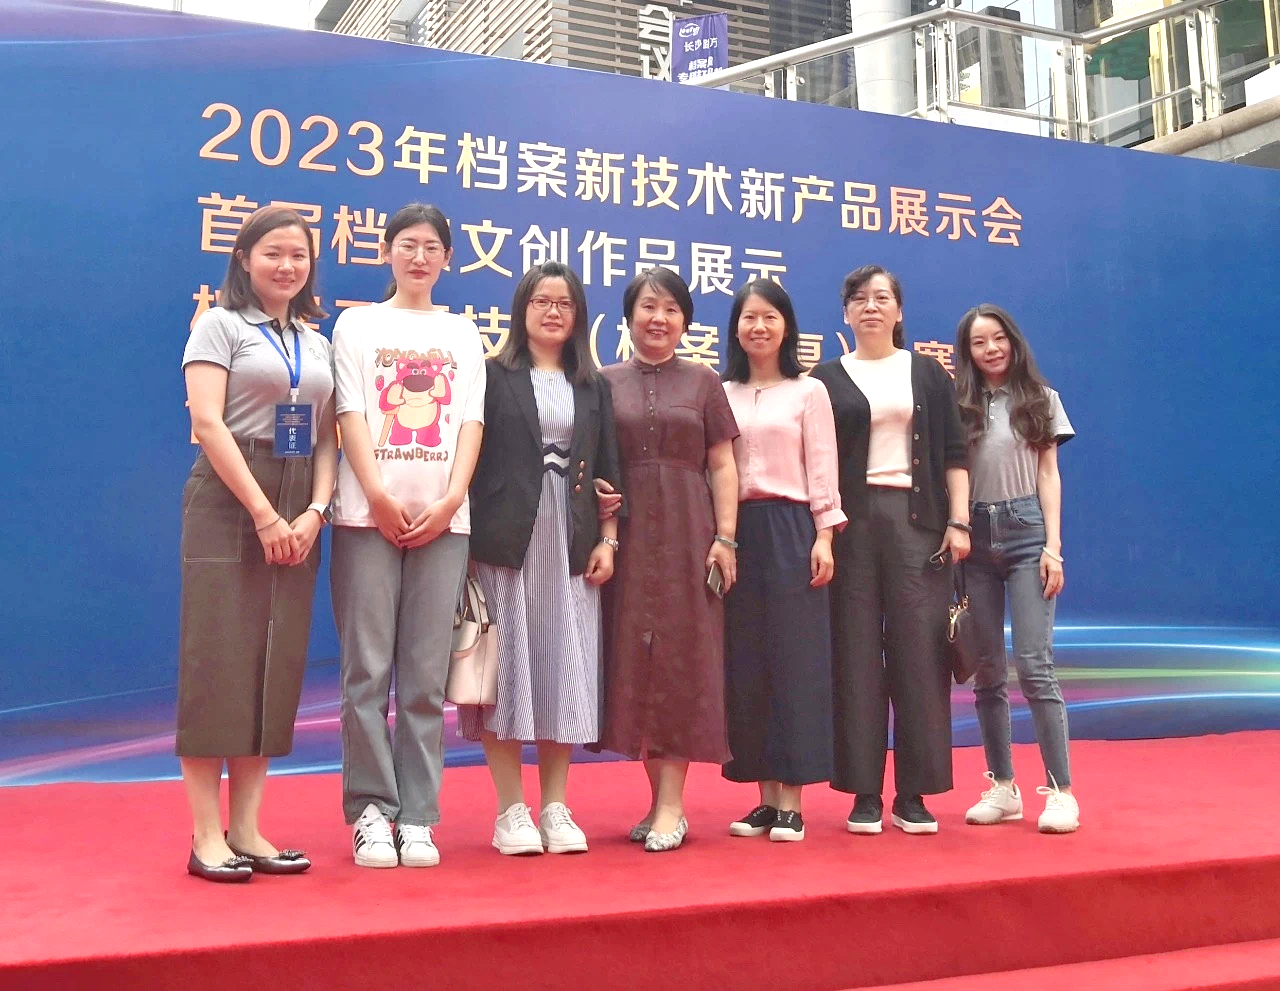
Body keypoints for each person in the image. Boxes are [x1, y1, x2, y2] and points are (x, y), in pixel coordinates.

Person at [179, 205, 337, 881]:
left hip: (299, 500)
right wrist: (265, 514)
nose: (287, 266)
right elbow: (208, 424)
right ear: (244, 259)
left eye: (299, 255)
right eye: (273, 253)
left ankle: (246, 827)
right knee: (219, 659)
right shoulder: (219, 325)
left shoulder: (315, 342)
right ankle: (205, 835)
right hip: (230, 496)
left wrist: (316, 510)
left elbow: (326, 436)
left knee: (276, 660)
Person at [330, 203, 485, 868]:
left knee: (424, 678)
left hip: (444, 524)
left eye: (431, 248)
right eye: (407, 245)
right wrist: (377, 495)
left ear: (447, 259)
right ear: (386, 251)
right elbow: (350, 413)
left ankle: (418, 815)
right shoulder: (357, 324)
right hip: (367, 518)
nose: (419, 258)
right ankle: (371, 810)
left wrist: (450, 501)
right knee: (366, 672)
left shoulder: (462, 332)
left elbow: (471, 423)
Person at [459, 261, 622, 856]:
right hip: (505, 542)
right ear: (521, 310)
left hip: (572, 542)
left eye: (564, 303)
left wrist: (608, 540)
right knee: (505, 675)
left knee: (564, 670)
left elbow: (609, 472)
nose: (553, 312)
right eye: (541, 301)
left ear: (578, 316)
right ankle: (511, 811)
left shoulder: (593, 384)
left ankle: (555, 806)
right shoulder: (491, 375)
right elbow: (470, 462)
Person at [810, 265, 970, 836]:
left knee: (919, 656)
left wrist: (958, 521)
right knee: (854, 655)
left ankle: (914, 794)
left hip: (918, 523)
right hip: (849, 527)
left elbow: (954, 453)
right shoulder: (824, 379)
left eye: (882, 298)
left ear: (899, 311)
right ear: (845, 313)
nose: (871, 307)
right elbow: (816, 461)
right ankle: (864, 792)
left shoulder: (926, 373)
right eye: (859, 299)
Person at [596, 267, 739, 853]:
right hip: (626, 538)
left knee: (682, 660)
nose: (659, 319)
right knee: (636, 661)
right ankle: (658, 802)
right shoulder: (603, 382)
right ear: (629, 317)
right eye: (648, 307)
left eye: (671, 309)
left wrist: (726, 538)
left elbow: (723, 464)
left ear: (685, 322)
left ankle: (673, 805)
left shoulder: (705, 381)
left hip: (688, 533)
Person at [720, 280, 844, 843]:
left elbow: (822, 466)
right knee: (747, 663)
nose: (759, 327)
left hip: (793, 528)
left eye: (770, 317)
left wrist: (824, 536)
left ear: (787, 326)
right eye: (749, 317)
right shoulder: (722, 391)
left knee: (795, 661)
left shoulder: (808, 391)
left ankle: (792, 800)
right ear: (736, 328)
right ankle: (765, 800)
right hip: (737, 531)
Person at [954, 304, 1079, 833]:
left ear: (1014, 341)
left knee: (1033, 665)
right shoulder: (958, 403)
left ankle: (1061, 791)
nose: (991, 349)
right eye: (979, 342)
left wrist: (1054, 546)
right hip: (974, 537)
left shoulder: (1041, 399)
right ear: (967, 352)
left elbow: (1049, 473)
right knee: (987, 671)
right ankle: (1003, 788)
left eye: (998, 338)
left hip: (1028, 533)